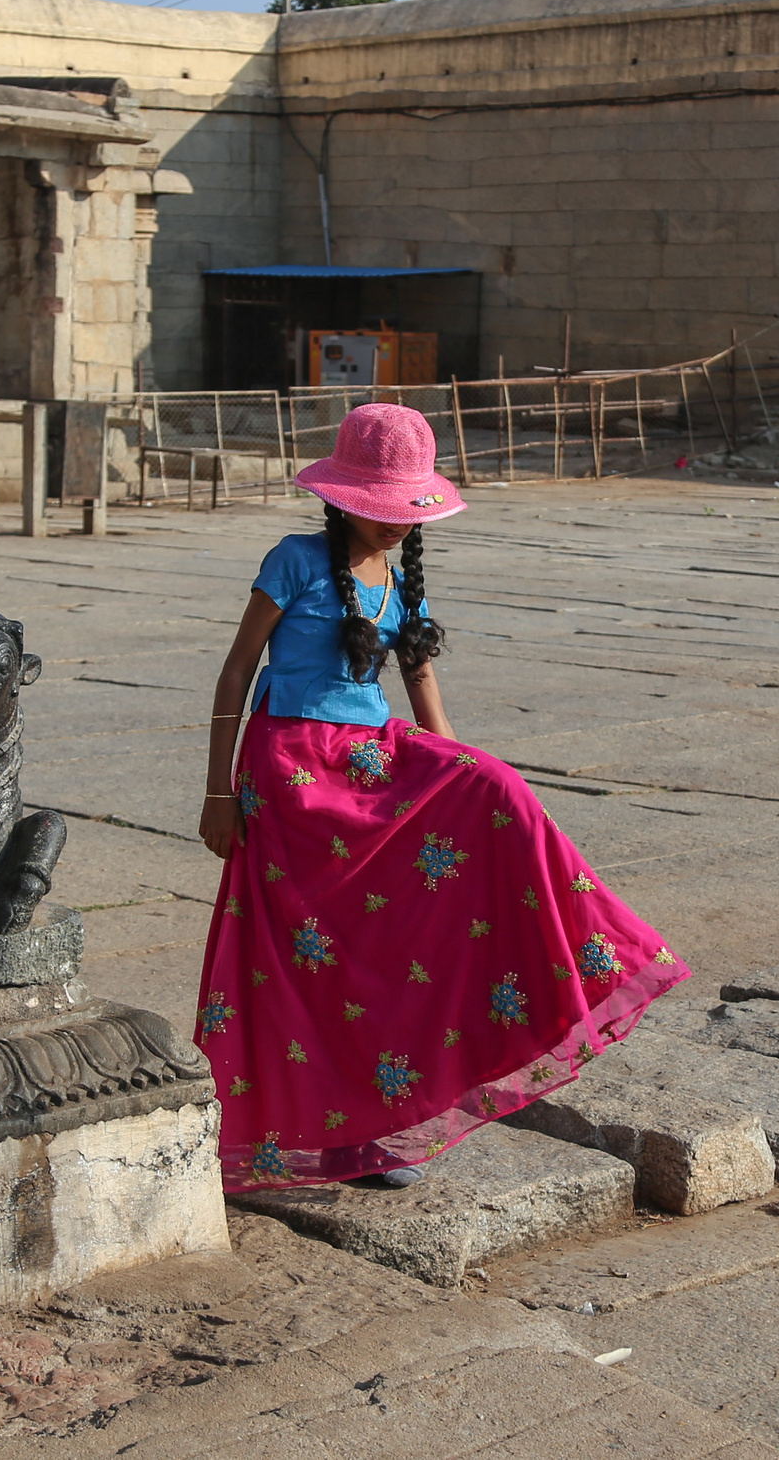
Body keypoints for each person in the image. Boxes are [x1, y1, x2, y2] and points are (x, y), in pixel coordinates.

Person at [193, 403, 689, 1190]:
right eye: (380, 511)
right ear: (343, 498)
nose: (393, 527)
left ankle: (591, 954)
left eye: (403, 513)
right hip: (290, 772)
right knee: (319, 960)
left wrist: (460, 777)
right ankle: (335, 1136)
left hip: (370, 756)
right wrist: (217, 791)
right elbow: (233, 672)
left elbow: (428, 701)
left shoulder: (400, 581)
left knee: (492, 796)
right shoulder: (292, 559)